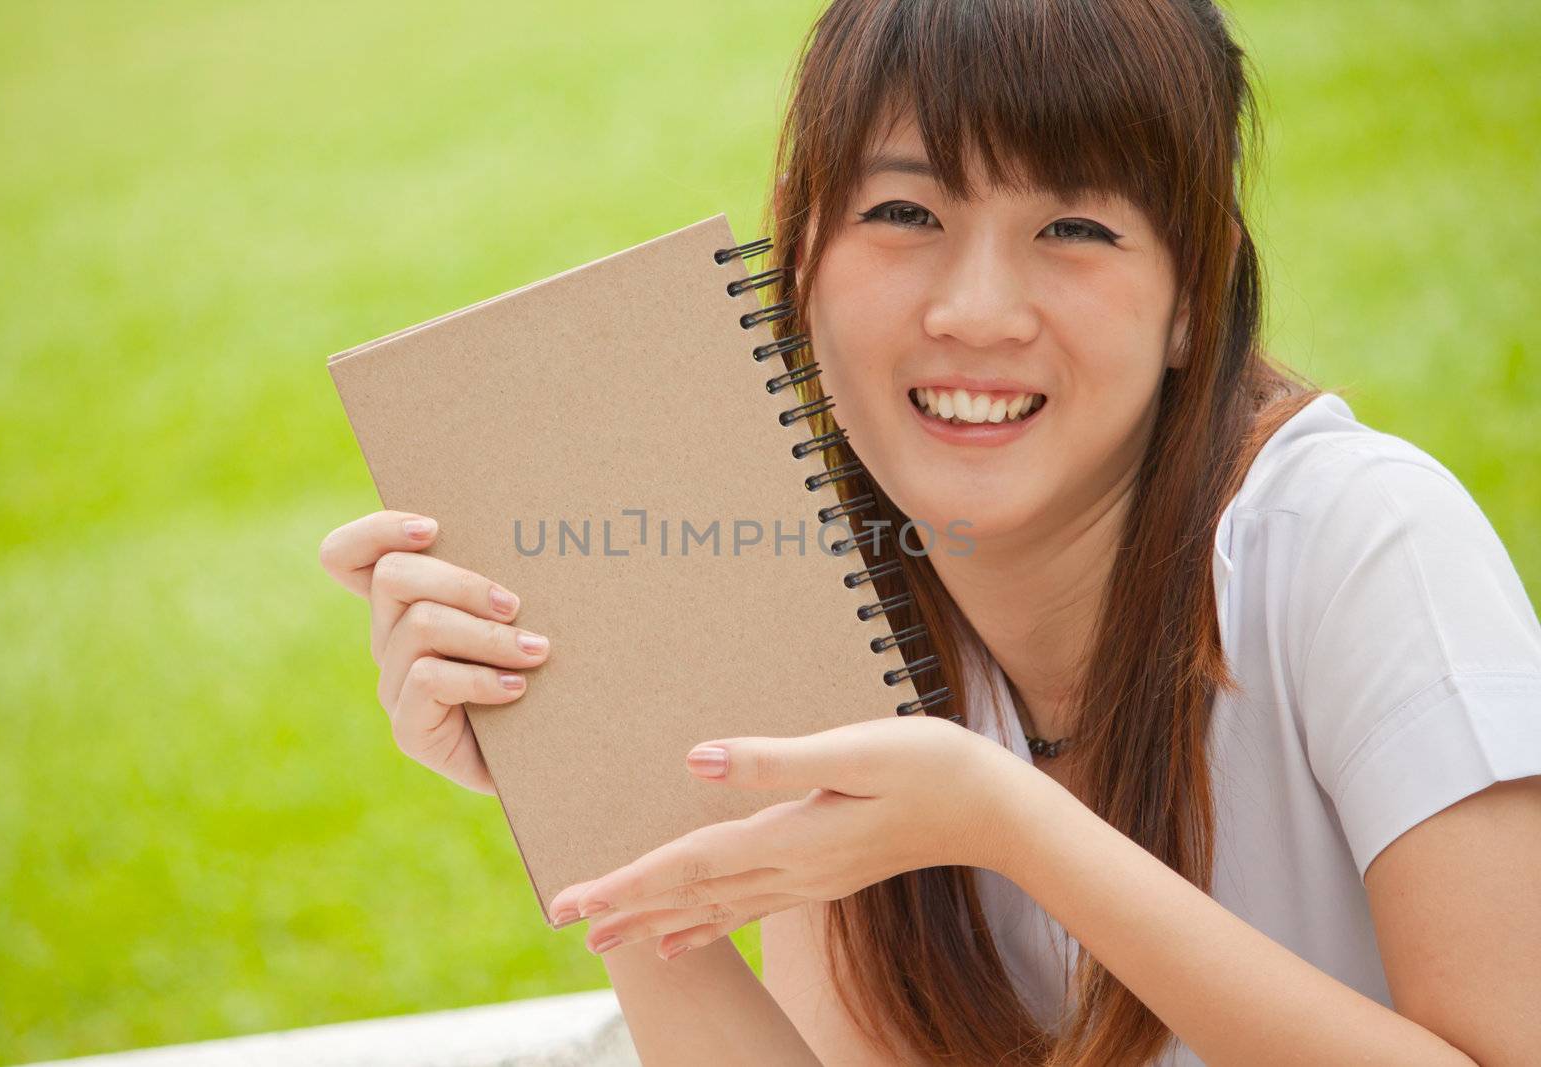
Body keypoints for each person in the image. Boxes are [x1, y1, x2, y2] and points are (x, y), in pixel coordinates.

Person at [318, 1, 1541, 1063]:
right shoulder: (831, 605)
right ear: (795, 260)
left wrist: (1002, 819)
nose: (974, 310)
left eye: (1075, 229)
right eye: (904, 211)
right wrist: (590, 794)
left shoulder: (1361, 544)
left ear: (1194, 296)